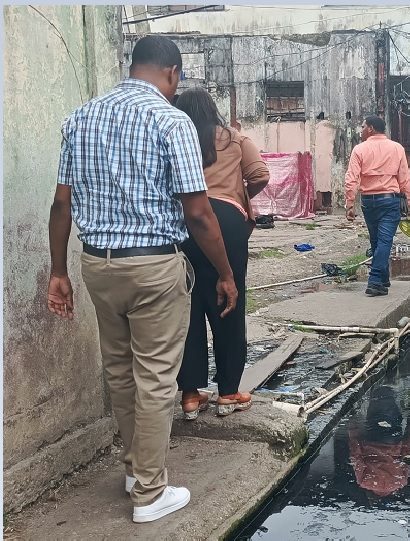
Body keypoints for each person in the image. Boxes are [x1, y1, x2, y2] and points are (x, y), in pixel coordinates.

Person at [47, 36, 237, 523]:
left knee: (119, 371)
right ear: (173, 73)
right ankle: (150, 495)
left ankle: (136, 470)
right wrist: (225, 273)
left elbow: (62, 204)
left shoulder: (80, 118)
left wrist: (58, 271)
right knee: (155, 379)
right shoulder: (171, 120)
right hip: (153, 265)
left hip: (97, 264)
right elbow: (198, 213)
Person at [174, 88, 270, 419]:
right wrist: (237, 198)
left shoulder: (174, 137)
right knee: (230, 300)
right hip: (226, 223)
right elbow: (260, 175)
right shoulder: (235, 139)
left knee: (186, 305)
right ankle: (228, 392)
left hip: (184, 219)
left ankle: (189, 394)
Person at [345, 115, 410, 297]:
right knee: (384, 241)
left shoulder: (359, 149)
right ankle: (375, 280)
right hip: (390, 200)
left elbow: (351, 178)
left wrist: (350, 204)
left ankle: (382, 279)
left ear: (371, 129)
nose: (360, 130)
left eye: (362, 127)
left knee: (376, 241)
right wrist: (409, 202)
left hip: (368, 201)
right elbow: (405, 178)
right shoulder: (396, 148)